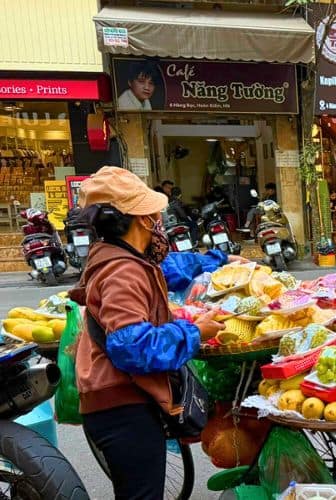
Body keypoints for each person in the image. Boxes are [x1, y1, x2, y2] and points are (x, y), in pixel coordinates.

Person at [68, 166, 224, 499]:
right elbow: (131, 346)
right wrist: (194, 332)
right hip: (121, 407)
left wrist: (219, 260)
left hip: (122, 402)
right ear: (141, 218)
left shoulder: (126, 257)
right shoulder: (122, 270)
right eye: (155, 212)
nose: (159, 219)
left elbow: (170, 268)